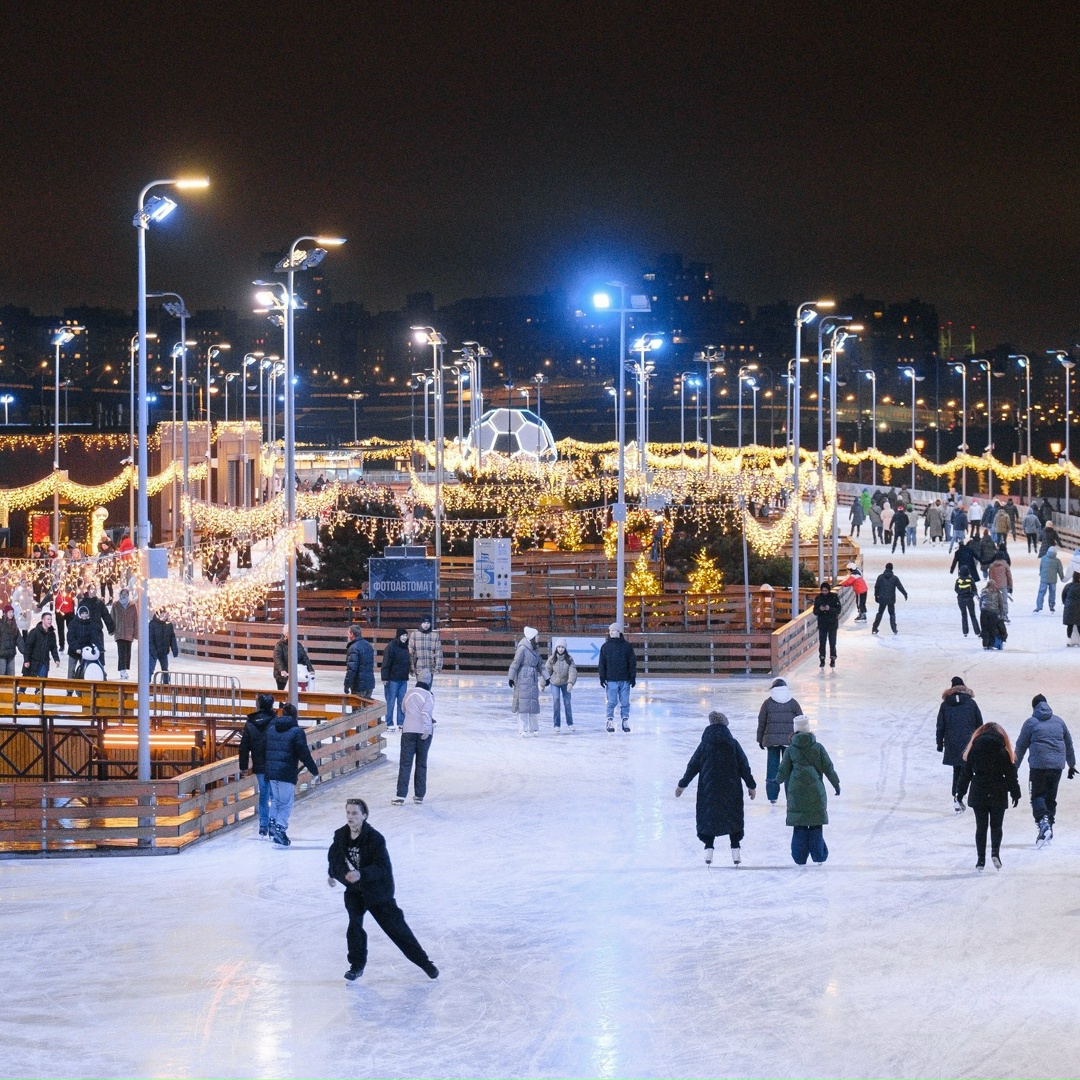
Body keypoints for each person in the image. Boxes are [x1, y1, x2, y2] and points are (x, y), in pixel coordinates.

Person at [327, 797, 439, 982]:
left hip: (378, 892)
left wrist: (361, 874)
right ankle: (356, 966)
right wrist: (332, 873)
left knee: (397, 929)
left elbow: (382, 867)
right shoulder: (341, 836)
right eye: (348, 812)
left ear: (364, 815)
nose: (350, 817)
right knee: (354, 926)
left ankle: (425, 963)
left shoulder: (375, 839)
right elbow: (334, 856)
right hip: (355, 891)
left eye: (355, 813)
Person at [676, 711, 757, 866]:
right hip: (731, 790)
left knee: (709, 819)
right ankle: (736, 851)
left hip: (709, 791)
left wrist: (682, 784)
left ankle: (708, 849)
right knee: (732, 819)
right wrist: (751, 785)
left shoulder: (704, 745)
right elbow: (744, 766)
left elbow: (692, 766)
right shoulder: (733, 744)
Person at [775, 715, 840, 865]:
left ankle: (799, 858)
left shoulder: (790, 750)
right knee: (816, 824)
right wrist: (836, 784)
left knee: (799, 826)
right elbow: (828, 768)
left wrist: (775, 782)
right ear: (808, 729)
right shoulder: (818, 748)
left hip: (796, 793)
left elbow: (783, 771)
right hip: (816, 792)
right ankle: (819, 857)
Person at [956, 723, 1021, 870]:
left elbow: (965, 774)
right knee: (996, 826)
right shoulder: (1002, 751)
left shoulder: (973, 750)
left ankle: (980, 860)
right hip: (998, 791)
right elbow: (1011, 775)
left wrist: (960, 793)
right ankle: (995, 853)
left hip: (979, 790)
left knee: (981, 827)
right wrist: (1015, 792)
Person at [1014, 694, 1075, 845]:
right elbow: (1069, 744)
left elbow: (1020, 747)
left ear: (1034, 707)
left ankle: (1043, 822)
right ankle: (1049, 829)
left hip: (1039, 765)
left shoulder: (1030, 723)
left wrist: (1013, 768)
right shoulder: (1059, 721)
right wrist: (1072, 764)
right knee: (1050, 798)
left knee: (1037, 796)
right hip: (1057, 766)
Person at [263, 700, 319, 846]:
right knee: (286, 803)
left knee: (276, 800)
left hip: (271, 772)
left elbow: (266, 750)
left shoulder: (271, 729)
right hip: (286, 773)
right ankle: (280, 829)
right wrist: (314, 770)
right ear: (296, 716)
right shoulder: (297, 732)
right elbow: (304, 753)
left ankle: (272, 824)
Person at [936, 677, 983, 812]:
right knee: (971, 769)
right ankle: (971, 797)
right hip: (969, 743)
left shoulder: (945, 705)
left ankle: (957, 797)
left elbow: (940, 725)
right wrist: (980, 742)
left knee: (957, 770)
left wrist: (940, 743)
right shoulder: (971, 703)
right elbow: (979, 724)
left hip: (952, 743)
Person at [757, 677, 801, 804]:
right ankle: (790, 797)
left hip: (772, 741)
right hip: (790, 741)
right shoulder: (793, 703)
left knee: (772, 769)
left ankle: (772, 797)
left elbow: (762, 722)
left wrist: (760, 739)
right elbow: (800, 722)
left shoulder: (767, 703)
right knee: (789, 769)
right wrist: (800, 740)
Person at [239, 692, 276, 837]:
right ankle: (273, 822)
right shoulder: (275, 722)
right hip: (274, 764)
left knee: (263, 794)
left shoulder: (250, 723)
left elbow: (243, 747)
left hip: (259, 764)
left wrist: (243, 766)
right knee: (274, 796)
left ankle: (263, 824)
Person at [395, 670, 434, 804]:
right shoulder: (428, 695)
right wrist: (427, 730)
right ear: (428, 681)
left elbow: (403, 708)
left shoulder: (409, 693)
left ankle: (401, 795)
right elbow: (426, 713)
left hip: (408, 731)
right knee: (421, 763)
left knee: (405, 763)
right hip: (424, 732)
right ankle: (419, 795)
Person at [598, 622, 636, 734]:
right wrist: (602, 676)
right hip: (611, 680)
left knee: (625, 702)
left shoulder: (627, 647)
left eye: (613, 630)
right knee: (612, 701)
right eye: (610, 631)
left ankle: (625, 720)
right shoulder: (605, 647)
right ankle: (609, 720)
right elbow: (602, 663)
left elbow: (632, 662)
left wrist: (632, 677)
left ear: (619, 632)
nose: (611, 632)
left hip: (624, 679)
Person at [508, 625, 545, 736]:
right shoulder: (522, 648)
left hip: (532, 679)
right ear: (532, 637)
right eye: (537, 636)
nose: (538, 637)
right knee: (523, 706)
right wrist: (511, 677)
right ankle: (522, 729)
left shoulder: (536, 649)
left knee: (533, 705)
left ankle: (534, 729)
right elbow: (515, 663)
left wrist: (546, 677)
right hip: (523, 678)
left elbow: (541, 666)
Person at [381, 627, 411, 732]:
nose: (404, 638)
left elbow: (407, 662)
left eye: (406, 636)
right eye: (402, 635)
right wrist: (384, 677)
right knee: (391, 701)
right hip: (392, 679)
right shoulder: (391, 647)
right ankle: (389, 722)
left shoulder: (406, 647)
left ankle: (401, 722)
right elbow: (386, 663)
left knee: (402, 702)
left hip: (403, 679)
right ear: (398, 636)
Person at [544, 637, 578, 732]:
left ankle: (570, 723)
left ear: (565, 648)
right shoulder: (552, 659)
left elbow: (573, 671)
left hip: (565, 683)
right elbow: (546, 671)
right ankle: (557, 724)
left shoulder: (569, 659)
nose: (560, 649)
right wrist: (542, 683)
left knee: (567, 702)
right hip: (554, 683)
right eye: (558, 647)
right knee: (556, 700)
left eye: (562, 647)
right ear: (556, 648)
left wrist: (570, 683)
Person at [66, 604, 104, 682]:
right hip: (74, 651)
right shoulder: (73, 624)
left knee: (85, 670)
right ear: (79, 614)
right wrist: (76, 648)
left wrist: (100, 647)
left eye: (85, 613)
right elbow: (70, 638)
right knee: (71, 670)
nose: (84, 615)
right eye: (82, 613)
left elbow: (95, 636)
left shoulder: (91, 624)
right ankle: (69, 690)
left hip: (86, 651)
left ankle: (82, 690)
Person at [871, 562, 908, 635]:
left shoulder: (880, 577)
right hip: (891, 599)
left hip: (882, 598)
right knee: (892, 614)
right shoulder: (894, 578)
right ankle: (894, 629)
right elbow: (900, 587)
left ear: (885, 568)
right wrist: (905, 593)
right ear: (892, 568)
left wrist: (876, 596)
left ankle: (874, 628)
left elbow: (876, 587)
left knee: (880, 613)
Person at [109, 586, 137, 680]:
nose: (123, 596)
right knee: (121, 652)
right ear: (120, 595)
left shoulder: (132, 605)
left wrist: (136, 633)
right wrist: (111, 629)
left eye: (125, 594)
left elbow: (136, 619)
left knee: (127, 652)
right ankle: (122, 670)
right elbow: (112, 617)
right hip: (119, 632)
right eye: (122, 594)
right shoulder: (115, 605)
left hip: (129, 632)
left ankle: (125, 669)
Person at [273, 626, 312, 692]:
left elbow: (305, 658)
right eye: (290, 633)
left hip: (296, 674)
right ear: (286, 634)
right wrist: (282, 670)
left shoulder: (298, 645)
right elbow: (277, 659)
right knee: (283, 696)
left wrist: (310, 669)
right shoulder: (279, 645)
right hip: (282, 676)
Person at [812, 581, 841, 670]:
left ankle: (833, 658)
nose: (824, 592)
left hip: (832, 623)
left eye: (826, 591)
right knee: (822, 642)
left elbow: (838, 610)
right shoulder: (818, 598)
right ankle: (822, 659)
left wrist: (830, 609)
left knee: (832, 642)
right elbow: (815, 611)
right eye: (823, 591)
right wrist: (820, 609)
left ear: (828, 590)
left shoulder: (834, 597)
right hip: (822, 624)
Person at [21, 610, 59, 678]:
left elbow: (53, 647)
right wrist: (26, 660)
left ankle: (38, 689)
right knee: (26, 681)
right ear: (43, 620)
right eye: (48, 619)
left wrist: (56, 659)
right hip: (33, 661)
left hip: (44, 661)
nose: (50, 621)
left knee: (41, 682)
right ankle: (21, 689)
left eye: (51, 619)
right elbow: (28, 647)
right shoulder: (34, 632)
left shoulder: (51, 634)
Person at [343, 623, 375, 698]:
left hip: (359, 685)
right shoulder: (368, 645)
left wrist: (347, 684)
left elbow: (351, 669)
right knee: (367, 709)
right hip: (369, 684)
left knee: (357, 709)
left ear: (352, 634)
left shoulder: (353, 648)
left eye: (348, 633)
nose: (347, 635)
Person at [408, 615, 443, 681]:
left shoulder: (435, 636)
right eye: (424, 623)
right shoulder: (414, 634)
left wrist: (438, 667)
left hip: (430, 668)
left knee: (427, 689)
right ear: (421, 623)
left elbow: (438, 653)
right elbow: (411, 653)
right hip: (418, 668)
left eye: (428, 623)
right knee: (420, 689)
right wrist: (411, 668)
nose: (426, 625)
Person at [148, 609, 179, 683]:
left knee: (165, 668)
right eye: (164, 614)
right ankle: (147, 683)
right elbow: (150, 638)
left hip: (164, 650)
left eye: (167, 614)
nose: (166, 616)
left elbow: (172, 637)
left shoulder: (169, 625)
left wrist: (175, 649)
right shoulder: (152, 624)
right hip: (154, 651)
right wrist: (152, 650)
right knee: (150, 668)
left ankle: (166, 683)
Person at [979, 579, 1007, 650]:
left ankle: (985, 644)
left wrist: (982, 609)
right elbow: (1001, 604)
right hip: (993, 613)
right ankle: (990, 644)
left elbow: (980, 602)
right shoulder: (998, 593)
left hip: (984, 612)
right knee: (992, 629)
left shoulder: (983, 591)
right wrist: (1001, 613)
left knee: (984, 628)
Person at [987, 550, 1013, 624]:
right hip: (1003, 586)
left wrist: (990, 586)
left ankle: (997, 615)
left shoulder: (991, 566)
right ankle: (1004, 615)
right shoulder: (1005, 565)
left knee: (995, 601)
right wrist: (1010, 587)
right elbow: (1009, 577)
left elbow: (990, 577)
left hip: (994, 586)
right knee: (1004, 601)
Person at [1035, 545, 1064, 613]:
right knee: (1052, 593)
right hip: (1053, 580)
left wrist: (1041, 574)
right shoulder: (1057, 561)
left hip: (1044, 579)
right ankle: (1051, 605)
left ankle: (1039, 606)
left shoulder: (1043, 558)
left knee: (1041, 592)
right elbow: (1060, 570)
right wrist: (1062, 578)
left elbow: (1041, 567)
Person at [954, 567, 981, 638]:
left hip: (961, 599)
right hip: (969, 599)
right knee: (973, 615)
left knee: (964, 615)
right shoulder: (970, 579)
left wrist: (961, 592)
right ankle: (977, 632)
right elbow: (974, 589)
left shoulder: (958, 580)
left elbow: (956, 589)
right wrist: (974, 595)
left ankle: (965, 632)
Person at [0, 604, 23, 676]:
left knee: (11, 674)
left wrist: (25, 652)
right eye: (9, 612)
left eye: (12, 612)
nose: (11, 614)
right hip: (1, 655)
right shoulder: (1, 624)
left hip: (11, 654)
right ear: (5, 613)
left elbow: (19, 640)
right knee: (2, 673)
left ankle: (11, 687)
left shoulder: (14, 625)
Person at [1063, 572, 1080, 646]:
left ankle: (1069, 641)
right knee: (1079, 625)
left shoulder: (1068, 586)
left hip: (1069, 608)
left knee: (1070, 625)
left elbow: (1063, 597)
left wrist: (1067, 604)